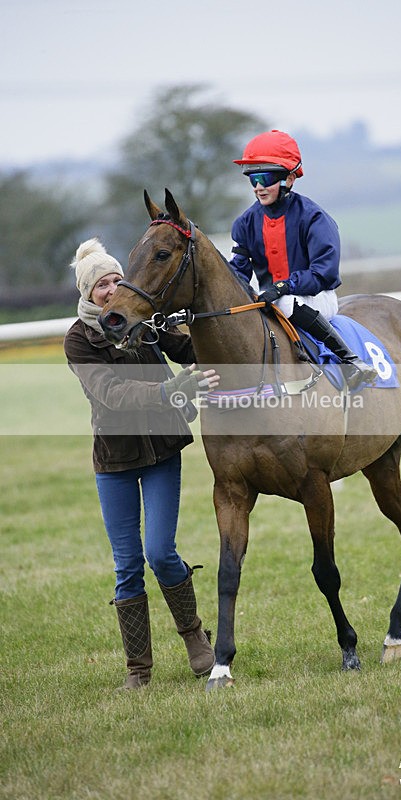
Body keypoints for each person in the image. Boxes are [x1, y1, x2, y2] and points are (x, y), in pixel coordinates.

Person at [64, 237, 219, 690]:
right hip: (113, 460)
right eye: (102, 285)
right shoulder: (79, 339)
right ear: (88, 293)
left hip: (162, 452)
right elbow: (111, 395)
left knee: (159, 553)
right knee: (127, 564)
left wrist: (211, 319)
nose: (112, 290)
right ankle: (138, 668)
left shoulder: (143, 316)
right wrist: (169, 391)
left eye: (117, 280)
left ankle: (195, 639)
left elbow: (189, 349)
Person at [229, 129, 377, 390]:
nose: (259, 186)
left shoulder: (314, 218)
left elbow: (324, 273)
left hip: (316, 297)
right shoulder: (245, 223)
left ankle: (350, 361)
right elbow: (238, 271)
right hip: (269, 299)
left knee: (285, 302)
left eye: (266, 177)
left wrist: (283, 287)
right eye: (252, 179)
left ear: (289, 178)